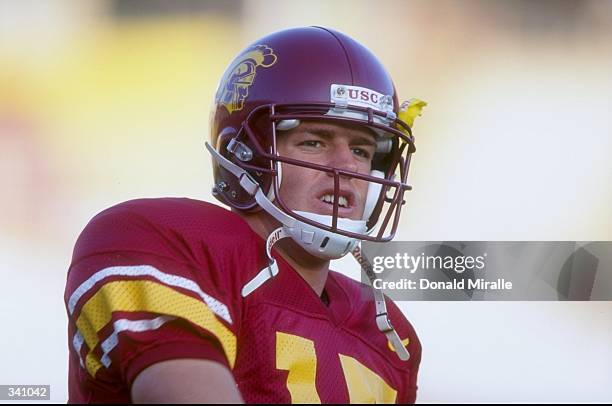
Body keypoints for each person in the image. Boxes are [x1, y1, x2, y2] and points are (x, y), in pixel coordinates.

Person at [64, 26, 426, 403]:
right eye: (314, 142)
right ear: (244, 156)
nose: (345, 168)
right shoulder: (160, 241)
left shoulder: (390, 336)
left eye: (362, 151)